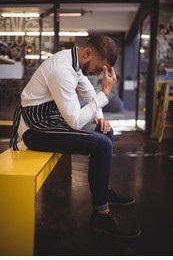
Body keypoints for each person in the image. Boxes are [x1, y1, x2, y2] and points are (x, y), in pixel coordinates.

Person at [10, 34, 141, 238]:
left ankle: (101, 189)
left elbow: (88, 92)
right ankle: (101, 213)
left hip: (51, 118)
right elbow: (75, 121)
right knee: (102, 145)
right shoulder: (62, 71)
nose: (99, 74)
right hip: (34, 130)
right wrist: (105, 94)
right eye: (99, 68)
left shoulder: (74, 60)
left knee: (106, 131)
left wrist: (100, 117)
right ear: (88, 53)